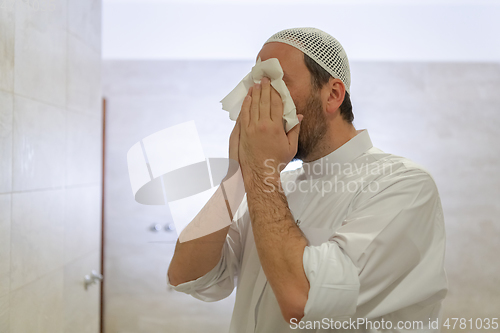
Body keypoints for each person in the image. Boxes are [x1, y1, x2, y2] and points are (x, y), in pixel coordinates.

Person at [167, 27, 448, 332]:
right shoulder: (273, 186)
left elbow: (305, 302)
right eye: (255, 85)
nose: (260, 99)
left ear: (333, 94)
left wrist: (261, 173)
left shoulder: (403, 185)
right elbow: (186, 275)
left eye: (276, 82)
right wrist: (237, 175)